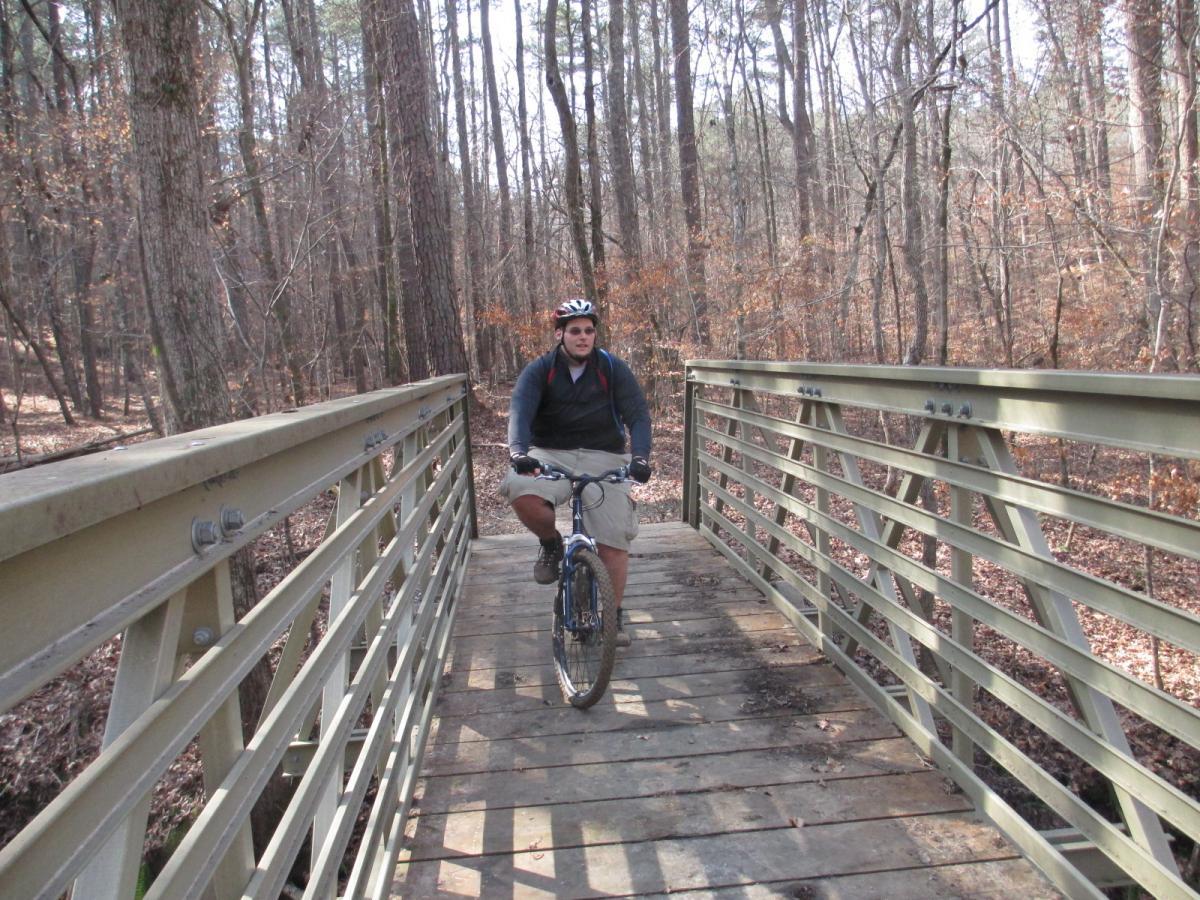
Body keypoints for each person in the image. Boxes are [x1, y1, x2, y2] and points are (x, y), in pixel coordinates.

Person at [500, 298, 653, 646]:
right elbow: (520, 413)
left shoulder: (613, 369)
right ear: (560, 334)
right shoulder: (541, 370)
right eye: (575, 331)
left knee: (614, 540)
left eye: (588, 331)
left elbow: (638, 415)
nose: (583, 337)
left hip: (605, 454)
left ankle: (612, 616)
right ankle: (551, 544)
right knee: (521, 489)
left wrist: (640, 458)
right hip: (549, 452)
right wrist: (519, 452)